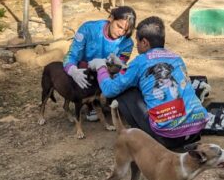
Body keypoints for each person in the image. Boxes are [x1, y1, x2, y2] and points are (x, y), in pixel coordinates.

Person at [89, 16, 208, 150]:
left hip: (168, 139)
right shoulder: (176, 57)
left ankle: (143, 140)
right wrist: (123, 66)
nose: (137, 46)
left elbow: (109, 90)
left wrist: (100, 67)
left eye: (137, 42)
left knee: (124, 92)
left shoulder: (140, 61)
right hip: (195, 131)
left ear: (145, 42)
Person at [62, 6, 136, 119]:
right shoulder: (87, 29)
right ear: (111, 18)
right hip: (85, 71)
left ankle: (110, 100)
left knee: (122, 75)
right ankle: (89, 103)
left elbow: (120, 69)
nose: (121, 32)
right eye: (119, 26)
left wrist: (117, 66)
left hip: (106, 72)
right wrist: (73, 71)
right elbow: (71, 55)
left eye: (125, 30)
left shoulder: (127, 43)